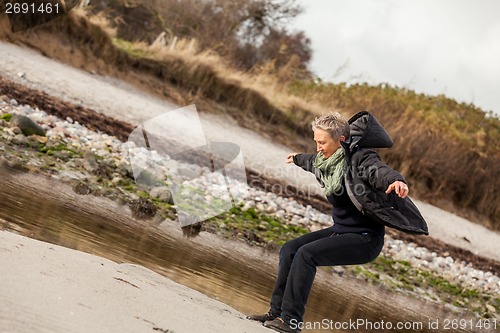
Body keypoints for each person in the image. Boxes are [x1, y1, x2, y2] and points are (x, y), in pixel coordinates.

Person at [247, 111, 428, 333]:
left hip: (365, 239)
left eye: (322, 142)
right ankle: (275, 313)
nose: (318, 147)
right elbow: (311, 160)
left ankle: (290, 322)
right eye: (316, 141)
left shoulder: (361, 158)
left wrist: (396, 180)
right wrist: (296, 158)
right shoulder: (327, 162)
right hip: (341, 231)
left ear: (341, 140)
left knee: (306, 255)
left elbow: (378, 171)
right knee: (290, 249)